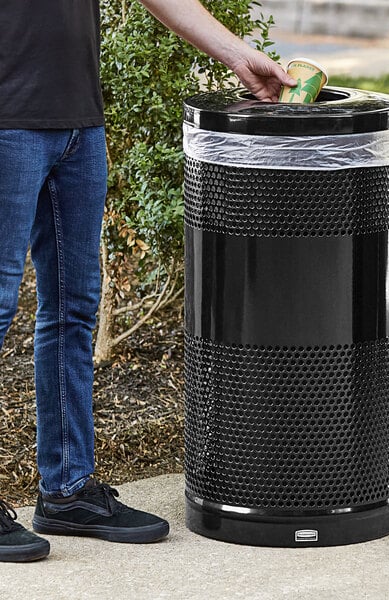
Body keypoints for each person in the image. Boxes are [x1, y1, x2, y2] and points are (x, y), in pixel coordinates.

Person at [0, 0, 296, 563]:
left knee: (73, 306)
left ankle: (67, 492)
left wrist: (236, 54)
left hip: (75, 121)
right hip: (5, 122)